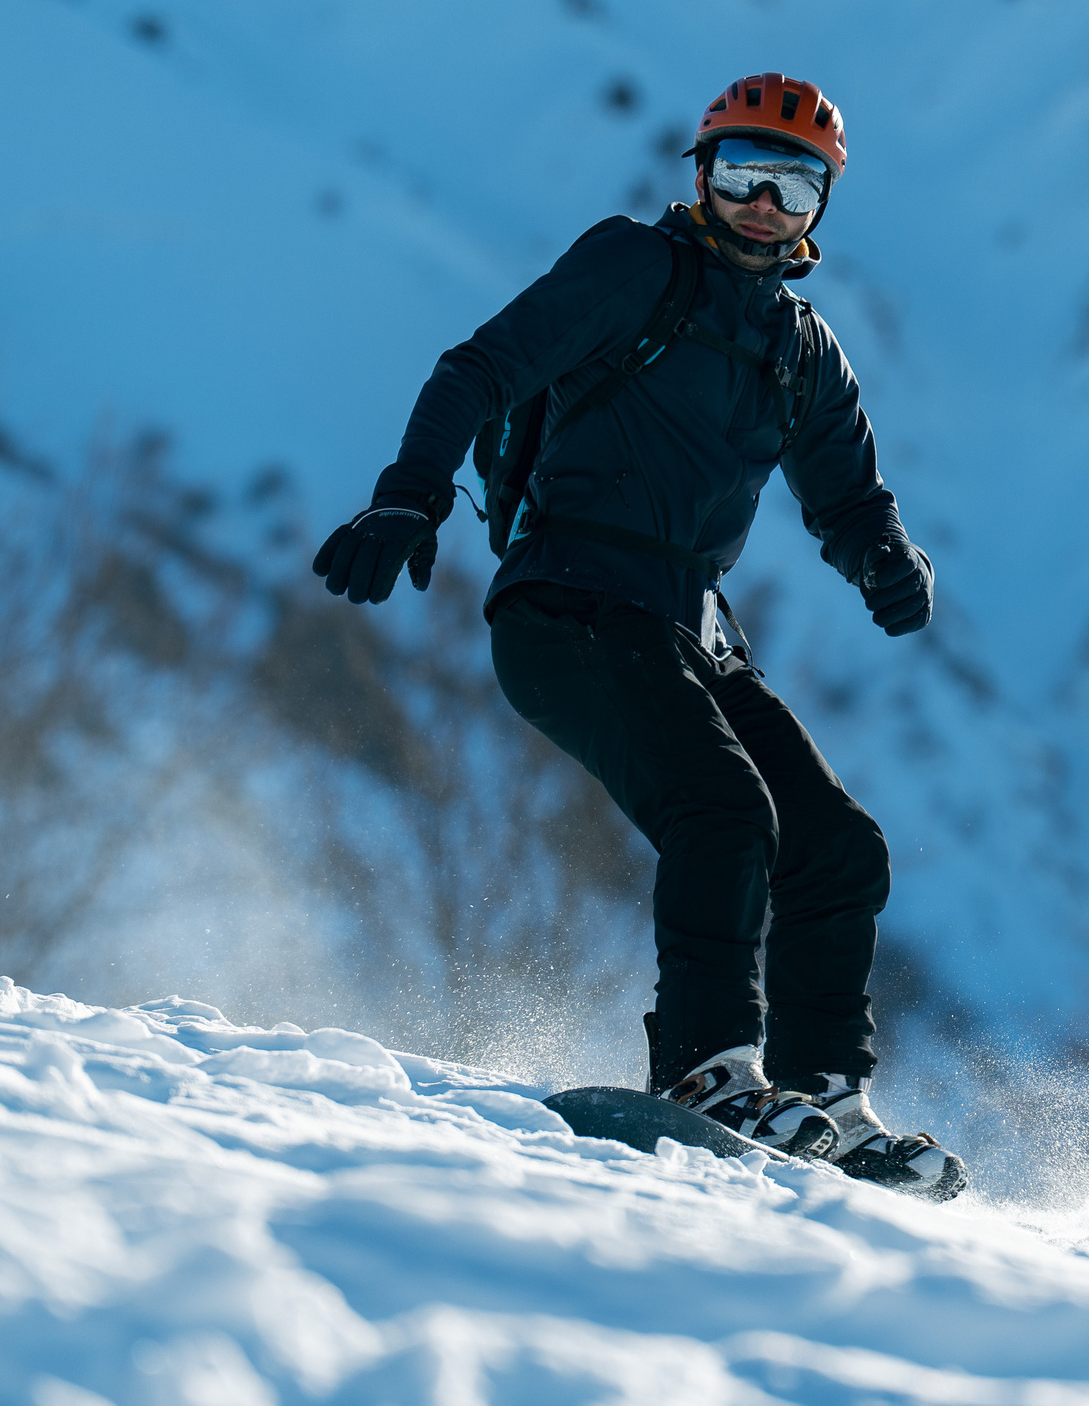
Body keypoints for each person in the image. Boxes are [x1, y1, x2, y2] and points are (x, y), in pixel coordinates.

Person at [312, 73, 964, 1199]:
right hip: (569, 604)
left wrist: (886, 560)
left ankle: (824, 1096)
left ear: (820, 210)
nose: (761, 204)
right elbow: (479, 368)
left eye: (793, 186)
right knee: (722, 814)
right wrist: (408, 495)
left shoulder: (802, 350)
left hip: (689, 629)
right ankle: (709, 1071)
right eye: (739, 174)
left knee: (838, 850)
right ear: (698, 176)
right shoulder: (634, 268)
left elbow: (849, 495)